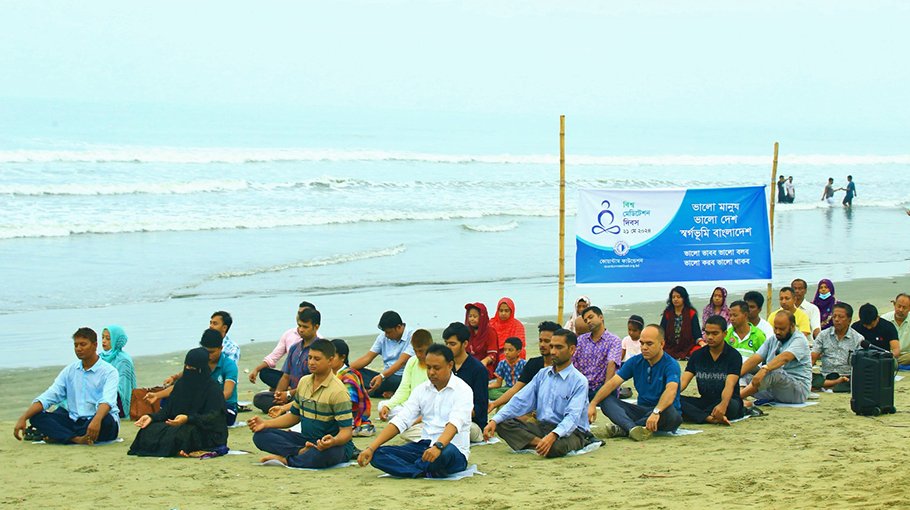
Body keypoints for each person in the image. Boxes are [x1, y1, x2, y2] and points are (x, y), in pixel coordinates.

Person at [357, 344, 473, 478]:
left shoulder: (463, 390)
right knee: (378, 454)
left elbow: (454, 424)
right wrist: (371, 448)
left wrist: (438, 446)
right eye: (428, 367)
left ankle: (418, 467)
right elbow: (402, 420)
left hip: (451, 449)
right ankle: (421, 470)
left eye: (436, 368)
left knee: (444, 454)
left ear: (450, 365)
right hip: (424, 447)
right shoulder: (421, 390)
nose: (431, 372)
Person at [484, 329, 593, 457]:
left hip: (571, 432)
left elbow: (572, 418)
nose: (553, 352)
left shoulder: (579, 381)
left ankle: (540, 444)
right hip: (542, 427)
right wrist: (494, 421)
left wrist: (553, 435)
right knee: (502, 423)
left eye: (558, 347)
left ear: (572, 349)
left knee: (556, 448)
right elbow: (520, 401)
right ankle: (540, 443)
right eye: (551, 346)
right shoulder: (542, 375)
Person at [249, 339, 354, 468]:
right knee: (261, 436)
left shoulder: (338, 391)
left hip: (332, 445)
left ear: (330, 360)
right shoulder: (304, 382)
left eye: (317, 359)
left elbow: (346, 432)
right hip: (306, 440)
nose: (311, 362)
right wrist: (265, 424)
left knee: (321, 455)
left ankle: (287, 460)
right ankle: (299, 452)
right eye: (309, 358)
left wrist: (333, 441)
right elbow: (294, 416)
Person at [14, 328, 120, 445]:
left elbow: (107, 400)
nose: (78, 349)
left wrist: (97, 419)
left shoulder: (109, 371)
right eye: (76, 345)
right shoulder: (70, 371)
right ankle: (76, 439)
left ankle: (63, 435)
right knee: (36, 417)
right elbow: (50, 396)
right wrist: (23, 418)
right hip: (74, 421)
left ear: (95, 345)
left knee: (106, 420)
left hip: (99, 420)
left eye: (83, 344)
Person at [588, 324, 683, 441]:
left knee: (671, 413)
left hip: (663, 413)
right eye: (642, 343)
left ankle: (625, 428)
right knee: (606, 400)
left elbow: (671, 391)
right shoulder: (635, 362)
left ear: (661, 344)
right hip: (642, 411)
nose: (644, 347)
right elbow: (612, 383)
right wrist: (593, 403)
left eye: (649, 344)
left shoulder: (671, 364)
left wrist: (656, 411)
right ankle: (632, 428)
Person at [128, 347, 228, 457]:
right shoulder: (181, 384)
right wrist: (151, 417)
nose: (188, 370)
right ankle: (178, 449)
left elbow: (214, 418)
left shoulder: (212, 388)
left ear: (201, 369)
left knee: (186, 433)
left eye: (192, 368)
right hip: (179, 424)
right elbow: (168, 410)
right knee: (148, 430)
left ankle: (180, 449)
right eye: (187, 367)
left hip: (205, 430)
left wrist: (188, 418)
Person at [146, 330, 239, 425]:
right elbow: (183, 384)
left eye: (212, 352)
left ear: (221, 348)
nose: (208, 356)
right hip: (201, 404)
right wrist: (157, 395)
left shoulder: (229, 366)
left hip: (224, 406)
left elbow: (227, 392)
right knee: (167, 402)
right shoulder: (200, 362)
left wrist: (205, 403)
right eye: (206, 351)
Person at [253, 308, 322, 414]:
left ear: (316, 327)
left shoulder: (320, 349)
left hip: (309, 395)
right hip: (291, 393)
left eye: (305, 327)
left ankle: (290, 408)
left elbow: (315, 383)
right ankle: (286, 407)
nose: (301, 330)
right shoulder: (295, 348)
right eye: (299, 326)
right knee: (259, 398)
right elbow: (285, 376)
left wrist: (289, 394)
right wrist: (279, 395)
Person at [680, 316, 744, 425]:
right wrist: (668, 395)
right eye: (707, 333)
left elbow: (730, 385)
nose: (709, 337)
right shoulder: (697, 355)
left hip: (728, 401)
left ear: (724, 334)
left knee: (731, 406)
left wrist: (723, 405)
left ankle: (698, 415)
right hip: (705, 401)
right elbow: (684, 381)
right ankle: (708, 418)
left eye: (715, 334)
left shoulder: (733, 356)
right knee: (674, 400)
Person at [740, 311, 812, 405]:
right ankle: (737, 397)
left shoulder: (799, 340)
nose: (778, 332)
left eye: (782, 329)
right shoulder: (773, 339)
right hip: (772, 391)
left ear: (792, 326)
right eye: (776, 328)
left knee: (774, 371)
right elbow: (755, 358)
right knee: (745, 370)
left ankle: (736, 398)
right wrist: (734, 375)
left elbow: (785, 358)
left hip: (796, 392)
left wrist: (765, 369)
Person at [488, 321, 558, 412]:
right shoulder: (533, 364)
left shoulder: (561, 366)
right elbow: (516, 389)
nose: (542, 345)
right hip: (529, 407)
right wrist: (494, 404)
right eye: (540, 341)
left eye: (547, 341)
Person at [378, 329, 433, 442]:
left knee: (406, 428)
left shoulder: (435, 364)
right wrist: (388, 406)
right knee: (381, 405)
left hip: (428, 409)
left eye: (421, 351)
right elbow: (404, 389)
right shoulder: (412, 361)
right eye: (415, 351)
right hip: (411, 406)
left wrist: (419, 418)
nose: (418, 355)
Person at [248, 301, 315, 388]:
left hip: (307, 383)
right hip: (289, 377)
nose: (301, 316)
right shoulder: (291, 338)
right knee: (264, 374)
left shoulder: (319, 344)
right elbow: (274, 357)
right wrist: (256, 369)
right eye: (299, 313)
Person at [349, 311, 414, 398]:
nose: (386, 335)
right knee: (354, 373)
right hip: (385, 376)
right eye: (385, 332)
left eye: (389, 332)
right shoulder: (382, 337)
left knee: (390, 381)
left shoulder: (413, 336)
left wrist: (382, 376)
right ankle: (380, 391)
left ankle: (374, 391)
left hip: (403, 377)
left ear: (398, 327)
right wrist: (343, 370)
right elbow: (367, 358)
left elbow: (401, 362)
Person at [443, 322, 488, 442]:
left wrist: (456, 416)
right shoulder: (445, 366)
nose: (448, 347)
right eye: (446, 343)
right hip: (444, 419)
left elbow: (480, 408)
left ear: (465, 344)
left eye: (452, 344)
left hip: (471, 424)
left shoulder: (478, 370)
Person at [811, 303, 863, 392]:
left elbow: (860, 366)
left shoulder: (858, 338)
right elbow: (812, 357)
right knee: (808, 377)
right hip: (825, 376)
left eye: (841, 317)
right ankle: (834, 383)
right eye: (834, 316)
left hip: (846, 377)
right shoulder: (823, 335)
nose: (836, 320)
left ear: (849, 320)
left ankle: (829, 385)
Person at [574, 306, 623, 398]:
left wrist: (605, 390)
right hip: (583, 387)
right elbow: (573, 363)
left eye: (591, 317)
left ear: (601, 317)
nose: (588, 321)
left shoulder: (613, 340)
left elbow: (611, 364)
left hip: (604, 386)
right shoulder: (581, 340)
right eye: (585, 320)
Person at [330, 339, 374, 437]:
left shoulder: (348, 376)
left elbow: (350, 403)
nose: (329, 359)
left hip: (348, 414)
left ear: (342, 357)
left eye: (333, 356)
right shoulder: (330, 374)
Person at [100, 325, 137, 419]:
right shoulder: (99, 357)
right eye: (103, 337)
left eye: (108, 338)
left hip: (117, 401)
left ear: (116, 340)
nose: (104, 341)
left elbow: (123, 389)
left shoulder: (124, 360)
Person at [660, 286, 703, 360]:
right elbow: (661, 331)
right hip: (670, 347)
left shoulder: (691, 313)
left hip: (688, 347)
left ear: (684, 298)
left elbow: (697, 333)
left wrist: (701, 343)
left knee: (698, 351)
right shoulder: (667, 313)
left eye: (678, 297)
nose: (675, 299)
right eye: (673, 297)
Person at [464, 302, 498, 378]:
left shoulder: (490, 332)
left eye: (475, 316)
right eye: (470, 316)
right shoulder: (466, 331)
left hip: (484, 365)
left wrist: (484, 362)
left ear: (482, 317)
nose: (472, 319)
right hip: (468, 364)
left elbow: (493, 355)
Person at [881, 293, 910, 365]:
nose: (901, 310)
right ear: (894, 304)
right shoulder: (885, 319)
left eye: (904, 307)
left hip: (906, 356)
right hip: (889, 354)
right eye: (899, 306)